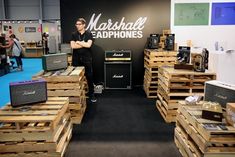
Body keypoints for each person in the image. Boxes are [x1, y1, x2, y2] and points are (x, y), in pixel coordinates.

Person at [70, 18, 97, 103]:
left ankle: (92, 94)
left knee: (89, 76)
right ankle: (77, 94)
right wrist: (83, 43)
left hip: (87, 59)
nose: (77, 26)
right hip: (76, 59)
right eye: (76, 24)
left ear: (84, 25)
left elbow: (89, 45)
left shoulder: (89, 34)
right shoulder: (73, 34)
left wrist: (78, 42)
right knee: (76, 77)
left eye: (79, 24)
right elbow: (73, 46)